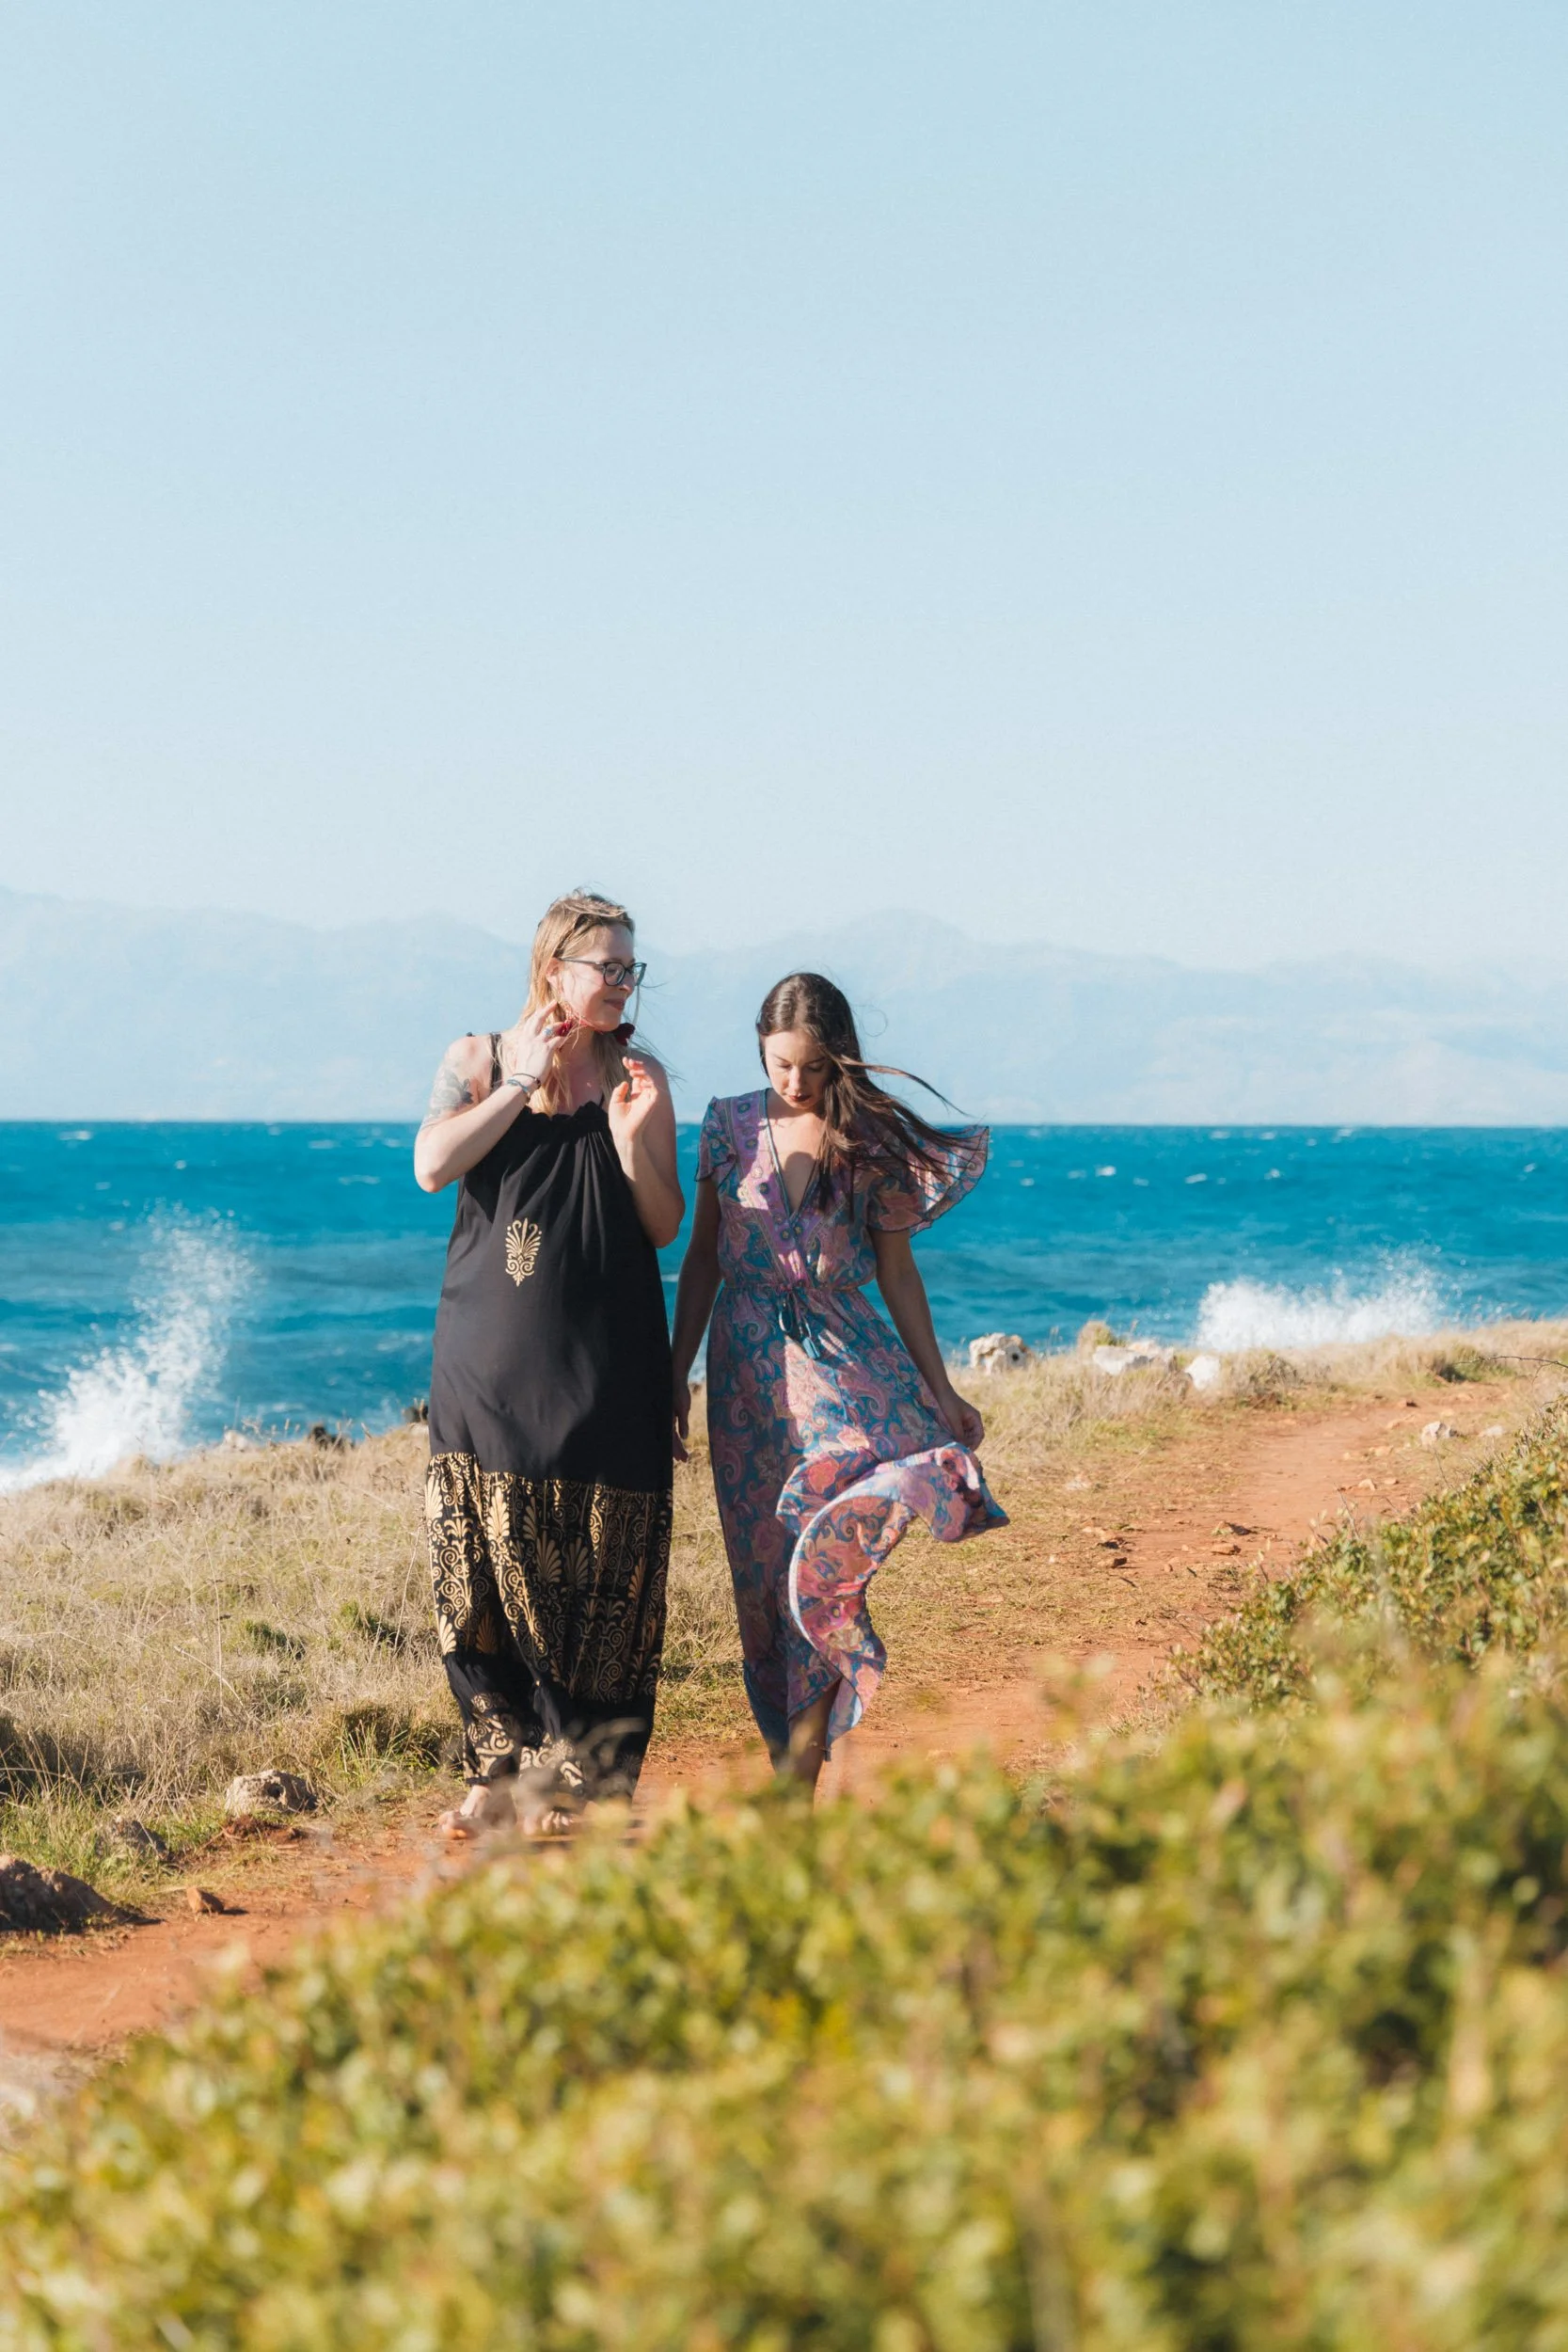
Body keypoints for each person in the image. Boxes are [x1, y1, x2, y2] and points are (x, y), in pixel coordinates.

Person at [670, 971, 1006, 1791]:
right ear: (760, 1048)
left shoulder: (866, 1141)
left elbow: (897, 1274)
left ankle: (799, 1774)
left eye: (812, 1068)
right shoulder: (726, 1127)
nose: (795, 1082)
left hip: (844, 1361)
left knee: (820, 1564)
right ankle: (792, 1761)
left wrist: (942, 1389)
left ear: (839, 1061)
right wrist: (673, 1374)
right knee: (761, 1577)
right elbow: (704, 1259)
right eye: (781, 1064)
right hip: (745, 1373)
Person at [414, 888, 682, 1837]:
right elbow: (432, 1164)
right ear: (551, 970)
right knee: (481, 1563)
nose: (620, 983)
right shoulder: (477, 1057)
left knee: (602, 1570)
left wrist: (626, 1143)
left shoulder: (636, 1076)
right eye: (604, 966)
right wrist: (512, 1087)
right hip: (484, 1363)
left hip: (607, 1361)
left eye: (628, 967)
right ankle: (496, 1764)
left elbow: (662, 1223)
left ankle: (582, 1775)